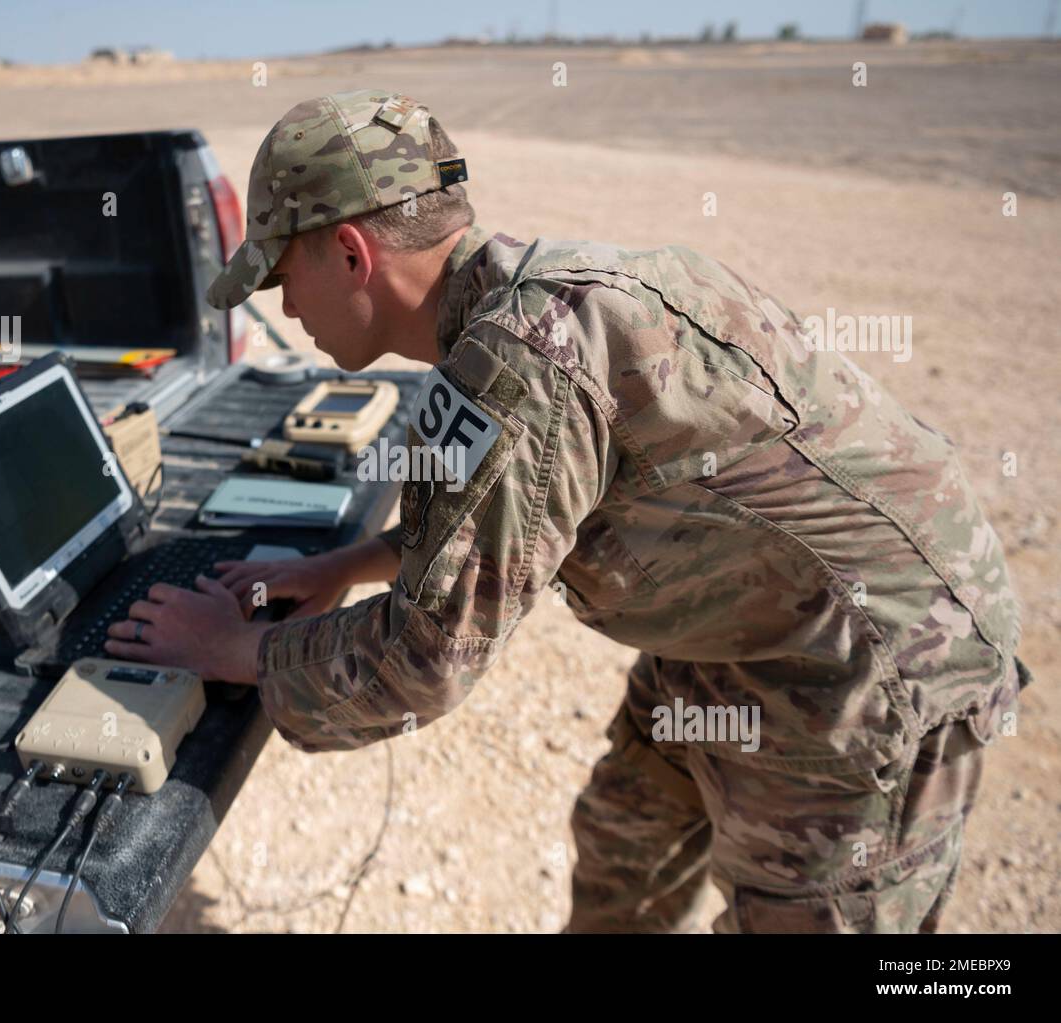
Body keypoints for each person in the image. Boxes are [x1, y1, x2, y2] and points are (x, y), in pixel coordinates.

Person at [104, 89, 1028, 933]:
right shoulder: (507, 317)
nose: (286, 307)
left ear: (352, 253)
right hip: (750, 620)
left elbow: (426, 661)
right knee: (627, 843)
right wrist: (345, 566)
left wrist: (228, 648)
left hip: (872, 656)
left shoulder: (522, 358)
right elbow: (508, 511)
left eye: (281, 279)